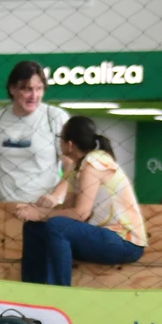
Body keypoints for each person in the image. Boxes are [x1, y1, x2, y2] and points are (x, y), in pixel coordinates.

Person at [16, 117, 147, 287]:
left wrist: (41, 214)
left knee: (56, 225)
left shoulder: (93, 163)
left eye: (60, 138)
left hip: (125, 242)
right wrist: (33, 210)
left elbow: (80, 213)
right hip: (99, 236)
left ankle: (58, 294)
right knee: (34, 227)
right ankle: (32, 289)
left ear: (69, 144)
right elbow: (67, 209)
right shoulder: (77, 167)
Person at [0, 61, 70, 206]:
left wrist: (55, 196)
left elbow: (71, 167)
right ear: (13, 89)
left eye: (39, 89)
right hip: (5, 209)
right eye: (27, 89)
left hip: (43, 210)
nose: (34, 95)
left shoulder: (55, 117)